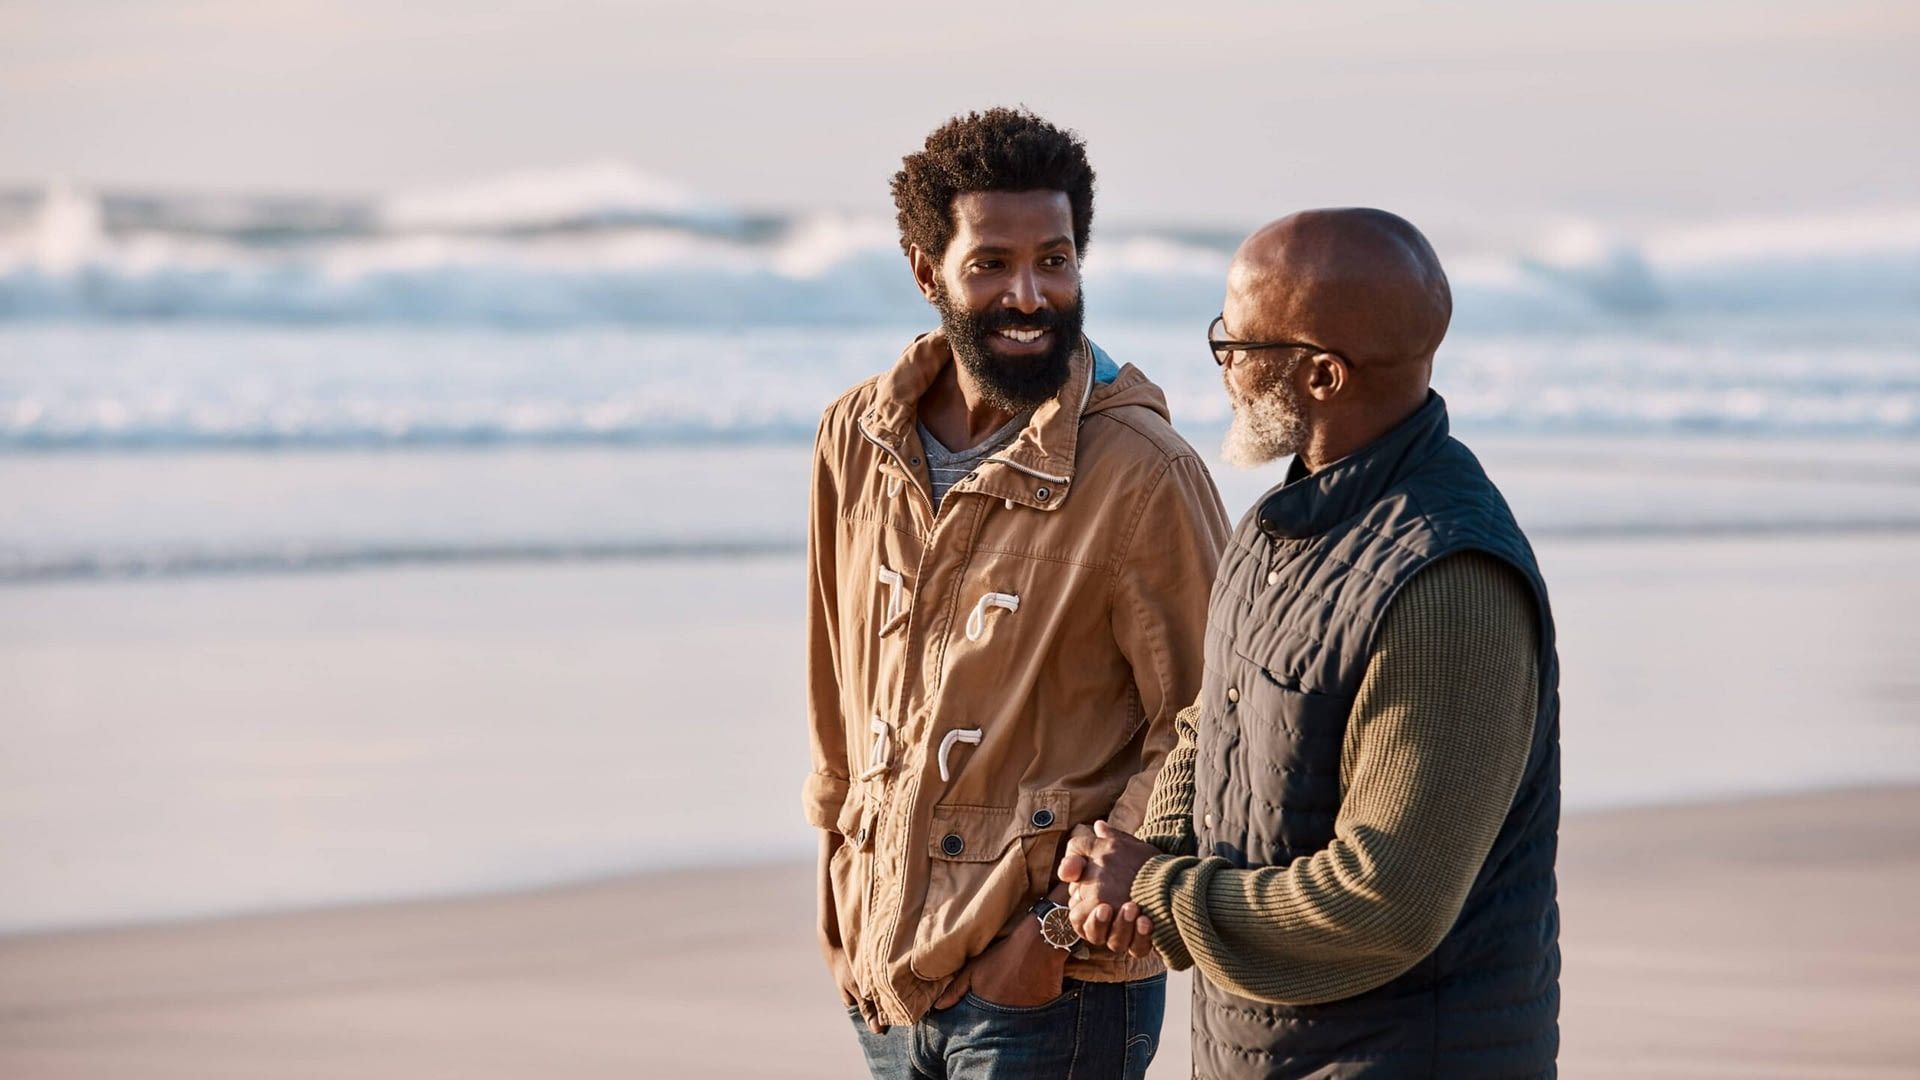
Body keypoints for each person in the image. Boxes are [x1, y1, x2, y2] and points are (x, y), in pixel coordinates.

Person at [1059, 208, 1563, 1078]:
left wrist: (1154, 890)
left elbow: (1384, 903)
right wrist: (1150, 849)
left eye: (1239, 345)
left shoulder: (1447, 584)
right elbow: (1214, 723)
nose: (1222, 367)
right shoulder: (1276, 527)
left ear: (1323, 374)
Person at [802, 108, 1230, 1077]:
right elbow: (838, 675)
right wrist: (836, 881)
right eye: (991, 264)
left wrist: (1048, 936)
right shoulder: (853, 440)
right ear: (926, 272)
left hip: (1046, 995)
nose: (1030, 295)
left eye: (1056, 260)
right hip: (886, 971)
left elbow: (1215, 723)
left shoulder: (1142, 473)